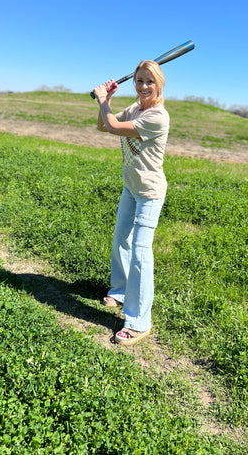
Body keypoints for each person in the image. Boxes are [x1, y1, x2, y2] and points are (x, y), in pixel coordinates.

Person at [93, 60, 169, 346]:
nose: (144, 86)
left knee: (140, 251)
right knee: (120, 241)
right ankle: (121, 290)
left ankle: (139, 321)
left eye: (150, 81)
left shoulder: (157, 117)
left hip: (149, 192)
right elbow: (103, 125)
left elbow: (113, 127)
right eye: (139, 81)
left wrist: (102, 99)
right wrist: (107, 101)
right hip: (131, 187)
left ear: (159, 84)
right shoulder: (136, 109)